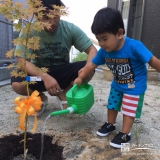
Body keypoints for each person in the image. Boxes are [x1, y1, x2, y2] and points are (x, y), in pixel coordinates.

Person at [74, 7, 160, 149]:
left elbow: (152, 60)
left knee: (128, 109)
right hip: (118, 84)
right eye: (98, 39)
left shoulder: (134, 46)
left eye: (105, 39)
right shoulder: (104, 51)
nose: (101, 43)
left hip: (134, 85)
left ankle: (125, 133)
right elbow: (91, 65)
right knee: (112, 104)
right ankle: (110, 124)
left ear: (119, 33)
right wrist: (81, 77)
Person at [11, 0, 97, 116]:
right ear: (37, 15)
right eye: (46, 17)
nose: (52, 22)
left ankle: (66, 94)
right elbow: (22, 61)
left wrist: (83, 73)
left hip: (63, 74)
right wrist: (44, 76)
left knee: (88, 68)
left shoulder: (70, 29)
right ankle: (40, 98)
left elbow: (92, 50)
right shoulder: (30, 31)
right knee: (18, 81)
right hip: (38, 77)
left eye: (56, 16)